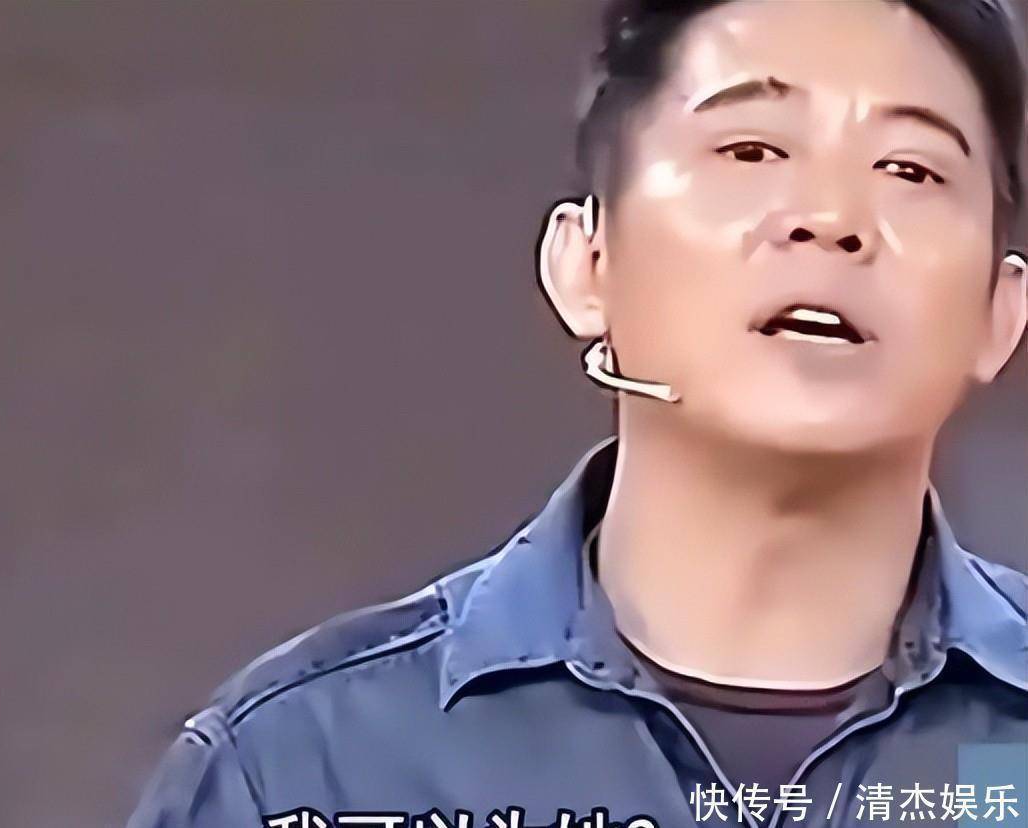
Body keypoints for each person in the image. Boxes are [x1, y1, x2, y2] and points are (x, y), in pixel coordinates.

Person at [128, 2, 1028, 826]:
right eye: (752, 151)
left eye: (910, 169)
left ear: (1001, 313)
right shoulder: (301, 769)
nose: (831, 218)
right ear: (586, 262)